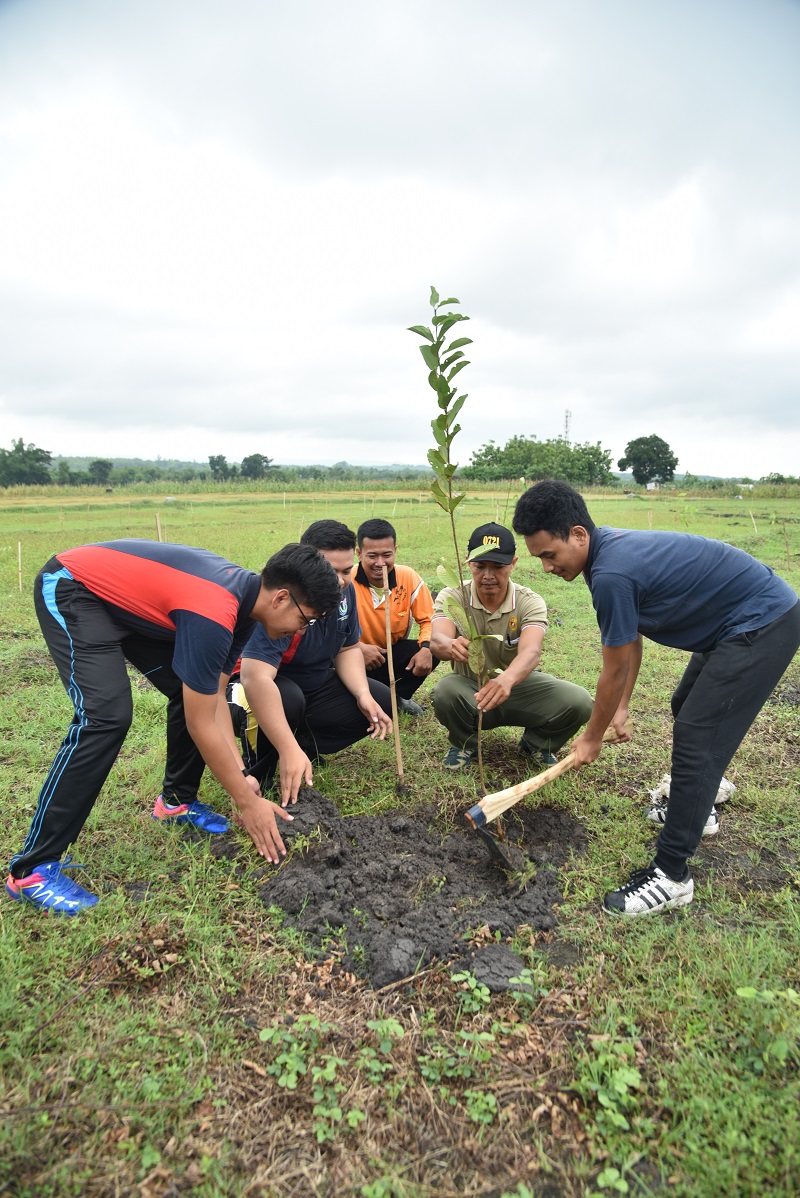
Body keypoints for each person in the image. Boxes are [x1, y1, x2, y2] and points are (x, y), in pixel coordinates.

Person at [512, 479, 800, 917]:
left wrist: (591, 737)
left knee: (699, 731)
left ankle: (672, 875)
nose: (547, 567)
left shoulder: (611, 572)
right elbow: (631, 640)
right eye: (539, 559)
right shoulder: (606, 555)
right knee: (686, 705)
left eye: (549, 555)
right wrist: (622, 708)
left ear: (578, 534)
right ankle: (697, 803)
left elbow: (614, 668)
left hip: (761, 622)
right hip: (738, 621)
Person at [6, 540, 342, 915]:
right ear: (281, 598)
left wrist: (241, 777)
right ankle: (32, 870)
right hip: (76, 588)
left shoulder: (247, 612)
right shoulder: (214, 613)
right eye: (306, 620)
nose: (301, 632)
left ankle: (176, 803)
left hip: (129, 607)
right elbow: (202, 724)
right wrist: (249, 804)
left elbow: (211, 698)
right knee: (106, 717)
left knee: (190, 693)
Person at [231, 519, 393, 803]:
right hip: (258, 689)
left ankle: (301, 750)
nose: (340, 581)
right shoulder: (284, 601)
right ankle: (262, 768)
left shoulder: (346, 593)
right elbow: (256, 677)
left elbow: (348, 648)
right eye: (332, 572)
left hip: (313, 685)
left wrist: (362, 694)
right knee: (288, 698)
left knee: (380, 697)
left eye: (346, 571)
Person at [430, 521, 594, 770]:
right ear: (468, 562)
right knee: (445, 691)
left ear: (514, 563)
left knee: (579, 701)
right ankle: (464, 745)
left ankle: (537, 744)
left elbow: (531, 652)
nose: (488, 576)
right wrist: (450, 644)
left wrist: (506, 681)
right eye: (480, 566)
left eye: (498, 567)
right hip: (470, 689)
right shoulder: (453, 596)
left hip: (518, 686)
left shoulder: (529, 602)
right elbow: (437, 640)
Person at [352, 517, 440, 716]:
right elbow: (328, 629)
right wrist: (358, 648)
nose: (380, 563)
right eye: (372, 556)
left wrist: (426, 648)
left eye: (387, 555)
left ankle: (395, 699)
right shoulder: (345, 581)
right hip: (353, 656)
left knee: (435, 650)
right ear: (359, 553)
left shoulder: (408, 577)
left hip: (390, 654)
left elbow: (429, 619)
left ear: (396, 551)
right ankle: (361, 699)